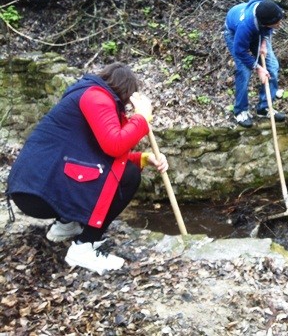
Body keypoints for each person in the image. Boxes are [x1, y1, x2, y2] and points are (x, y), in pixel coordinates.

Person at [6, 62, 168, 274]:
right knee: (128, 177)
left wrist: (143, 159)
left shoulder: (89, 94)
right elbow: (114, 145)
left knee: (116, 170)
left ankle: (65, 225)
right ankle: (84, 247)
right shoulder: (97, 98)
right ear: (126, 91)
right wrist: (141, 119)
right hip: (37, 193)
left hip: (34, 189)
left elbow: (100, 154)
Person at [224, 0, 286, 128]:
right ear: (265, 23)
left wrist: (263, 43)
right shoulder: (245, 26)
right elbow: (240, 51)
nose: (279, 25)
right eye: (276, 23)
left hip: (257, 31)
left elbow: (268, 28)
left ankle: (264, 108)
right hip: (234, 33)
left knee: (272, 67)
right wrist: (258, 68)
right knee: (244, 71)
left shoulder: (267, 7)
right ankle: (240, 111)